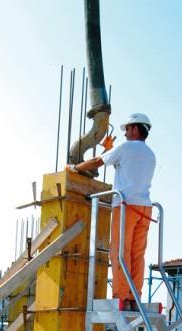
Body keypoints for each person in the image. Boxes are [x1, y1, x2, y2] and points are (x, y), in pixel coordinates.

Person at [67, 113, 155, 311]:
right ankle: (134, 296)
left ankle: (121, 296)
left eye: (126, 130)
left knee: (119, 252)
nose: (124, 134)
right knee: (137, 255)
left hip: (126, 207)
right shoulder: (150, 154)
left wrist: (74, 168)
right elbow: (125, 165)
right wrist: (110, 149)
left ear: (134, 128)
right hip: (145, 209)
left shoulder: (125, 148)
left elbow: (99, 161)